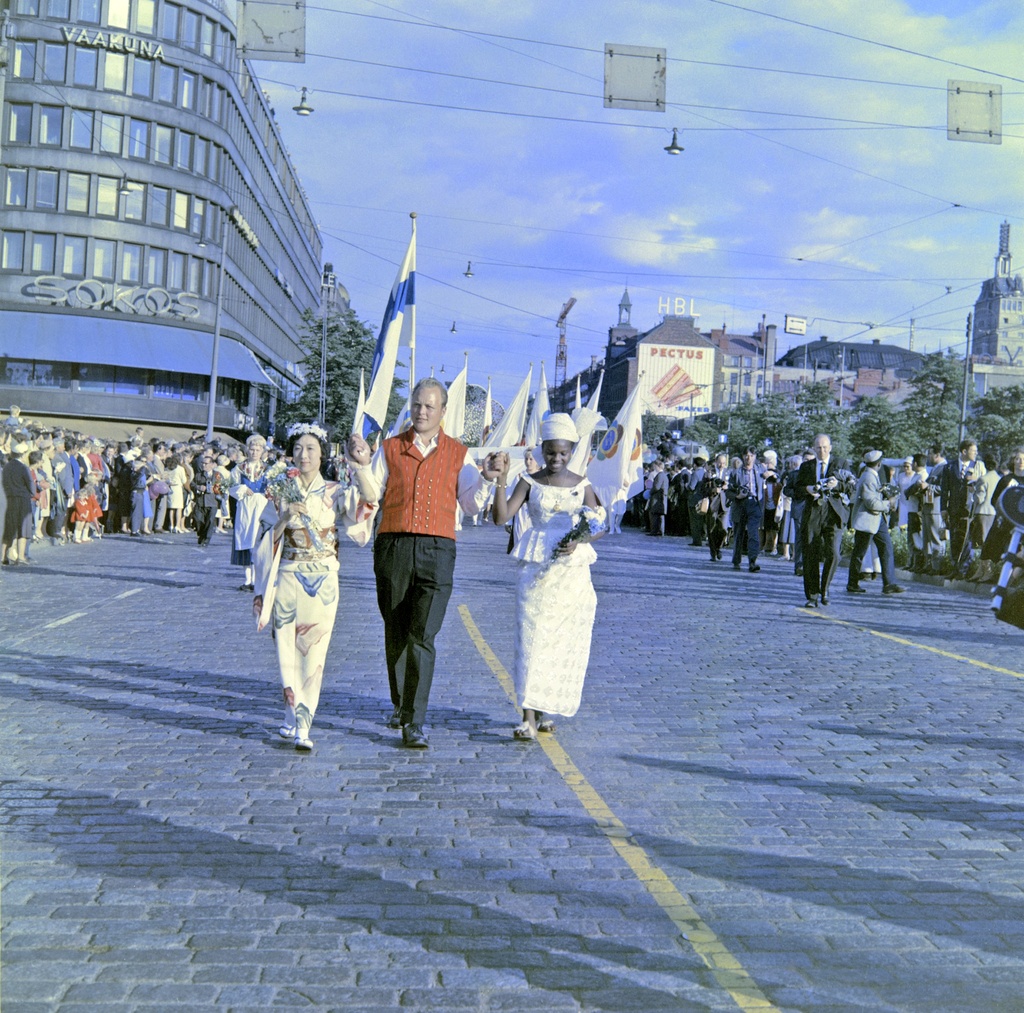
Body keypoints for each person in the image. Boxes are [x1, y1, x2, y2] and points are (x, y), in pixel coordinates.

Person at [346, 377, 501, 748]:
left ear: (443, 412)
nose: (422, 411)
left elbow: (471, 503)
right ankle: (400, 704)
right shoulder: (390, 448)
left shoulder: (459, 454)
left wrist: (489, 480)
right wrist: (364, 465)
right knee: (396, 628)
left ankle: (414, 721)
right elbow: (372, 493)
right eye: (417, 404)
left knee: (423, 634)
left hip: (437, 549)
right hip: (393, 545)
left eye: (430, 406)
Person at [489, 413, 605, 739]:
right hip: (536, 568)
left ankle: (544, 709)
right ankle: (527, 715)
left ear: (572, 452)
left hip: (571, 576)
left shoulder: (583, 484)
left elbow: (599, 523)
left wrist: (580, 538)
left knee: (557, 642)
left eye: (563, 453)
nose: (556, 459)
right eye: (551, 452)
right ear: (542, 449)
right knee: (531, 639)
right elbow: (501, 517)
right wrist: (501, 480)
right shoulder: (529, 482)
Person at [252, 423, 354, 752]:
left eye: (311, 448)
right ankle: (289, 710)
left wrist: (362, 468)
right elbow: (265, 535)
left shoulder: (335, 491)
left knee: (315, 649)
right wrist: (284, 517)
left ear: (323, 454)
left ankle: (304, 722)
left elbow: (359, 516)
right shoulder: (282, 489)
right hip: (288, 574)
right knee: (285, 648)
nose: (304, 454)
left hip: (323, 578)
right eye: (298, 447)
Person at [793, 434, 847, 607]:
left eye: (824, 447)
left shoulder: (841, 463)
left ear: (830, 447)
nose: (822, 451)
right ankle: (813, 595)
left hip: (833, 512)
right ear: (814, 449)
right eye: (818, 448)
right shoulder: (806, 466)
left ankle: (825, 589)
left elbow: (851, 485)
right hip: (813, 512)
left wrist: (836, 485)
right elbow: (796, 489)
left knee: (834, 553)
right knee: (810, 553)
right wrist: (808, 489)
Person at [846, 450, 906, 596]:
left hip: (876, 520)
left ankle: (889, 583)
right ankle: (852, 583)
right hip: (868, 520)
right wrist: (888, 503)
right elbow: (871, 502)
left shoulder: (871, 475)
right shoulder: (868, 477)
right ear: (879, 463)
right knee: (860, 552)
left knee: (886, 549)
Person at [230, 434, 269, 590]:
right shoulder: (239, 468)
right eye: (252, 449)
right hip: (245, 507)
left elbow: (273, 487)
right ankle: (248, 580)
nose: (254, 453)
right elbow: (230, 485)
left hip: (261, 505)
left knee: (258, 540)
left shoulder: (268, 469)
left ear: (262, 451)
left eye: (257, 450)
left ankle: (258, 578)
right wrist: (242, 488)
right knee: (245, 538)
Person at [727, 447, 765, 572]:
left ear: (755, 457)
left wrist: (771, 474)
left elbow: (774, 477)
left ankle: (752, 561)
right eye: (746, 455)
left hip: (755, 504)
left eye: (751, 455)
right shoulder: (735, 472)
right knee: (739, 534)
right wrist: (737, 496)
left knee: (753, 533)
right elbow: (728, 491)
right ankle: (736, 560)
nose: (748, 458)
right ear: (742, 457)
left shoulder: (760, 470)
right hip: (740, 504)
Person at [2, 441, 36, 565]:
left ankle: (3, 556)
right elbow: (30, 484)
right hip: (22, 499)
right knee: (23, 528)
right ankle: (20, 556)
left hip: (9, 498)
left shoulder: (7, 466)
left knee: (9, 527)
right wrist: (32, 493)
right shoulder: (23, 467)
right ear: (23, 454)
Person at [647, 459, 669, 536]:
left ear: (658, 466)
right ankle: (660, 531)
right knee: (660, 516)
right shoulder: (665, 476)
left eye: (655, 466)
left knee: (654, 515)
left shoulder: (659, 475)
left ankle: (655, 531)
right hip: (662, 498)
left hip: (657, 498)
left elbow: (656, 487)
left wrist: (650, 492)